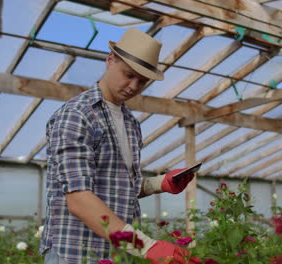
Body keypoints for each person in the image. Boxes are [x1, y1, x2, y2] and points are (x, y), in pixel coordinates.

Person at [39, 28, 201, 264]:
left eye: (142, 81)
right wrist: (147, 246)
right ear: (110, 60)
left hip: (114, 253)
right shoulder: (77, 116)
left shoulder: (130, 122)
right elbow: (79, 198)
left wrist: (159, 183)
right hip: (75, 252)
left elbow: (119, 189)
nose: (134, 86)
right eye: (128, 75)